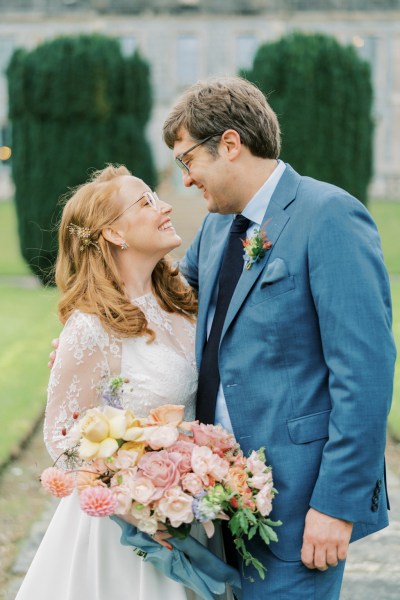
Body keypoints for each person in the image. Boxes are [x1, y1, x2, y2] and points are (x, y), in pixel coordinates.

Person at [162, 76, 397, 599]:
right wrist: (99, 331)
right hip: (211, 502)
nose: (187, 180)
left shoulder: (329, 214)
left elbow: (366, 374)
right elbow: (170, 308)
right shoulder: (216, 228)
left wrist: (337, 505)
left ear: (228, 144)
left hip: (298, 508)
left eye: (187, 160)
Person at [16, 165, 204, 600]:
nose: (166, 205)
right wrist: (139, 502)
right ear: (114, 234)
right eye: (147, 202)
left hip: (190, 513)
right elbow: (63, 439)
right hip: (128, 535)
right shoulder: (91, 326)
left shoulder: (181, 300)